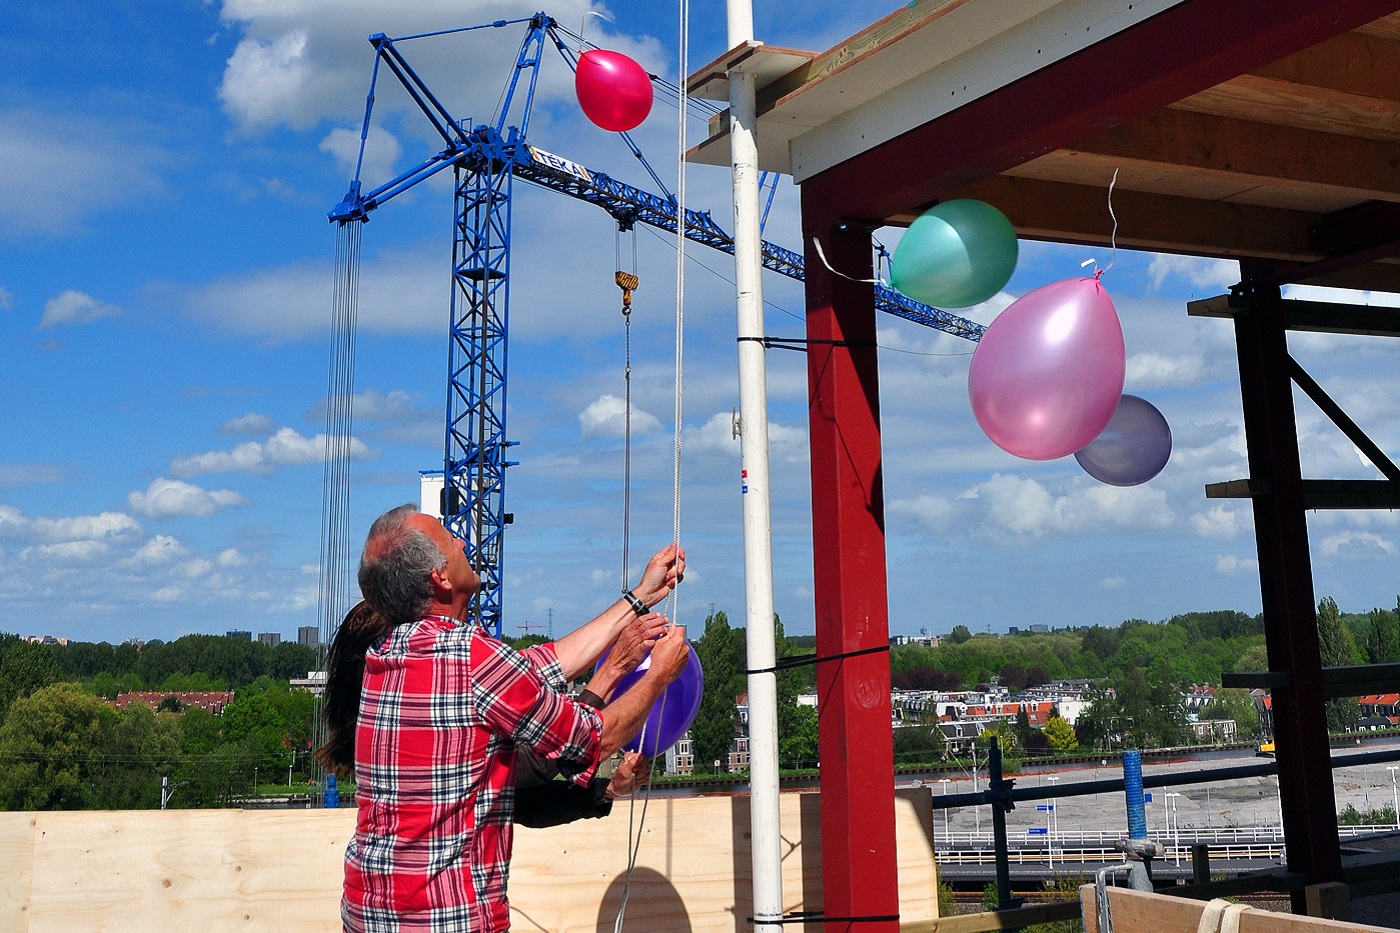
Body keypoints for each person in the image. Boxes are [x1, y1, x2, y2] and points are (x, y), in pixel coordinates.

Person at [337, 503, 689, 932]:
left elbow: (541, 664)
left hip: (368, 914)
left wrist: (639, 598)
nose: (464, 542)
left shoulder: (386, 654)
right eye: (452, 542)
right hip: (448, 918)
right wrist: (657, 677)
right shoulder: (473, 659)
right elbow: (596, 740)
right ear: (440, 578)